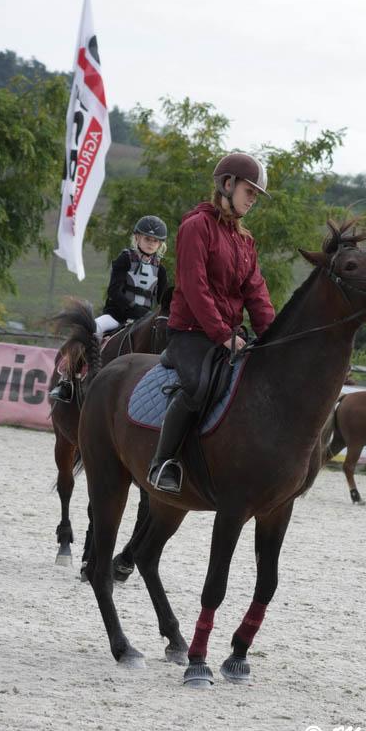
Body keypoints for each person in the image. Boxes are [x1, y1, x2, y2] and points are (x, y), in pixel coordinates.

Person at [147, 152, 275, 493]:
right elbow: (194, 287)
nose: (253, 200)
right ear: (228, 184)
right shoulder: (196, 227)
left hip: (228, 333)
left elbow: (256, 292)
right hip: (191, 332)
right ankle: (163, 462)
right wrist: (221, 334)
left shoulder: (244, 240)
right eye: (249, 191)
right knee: (199, 386)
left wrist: (272, 337)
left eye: (256, 195)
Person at [49, 215, 168, 402]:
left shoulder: (160, 270)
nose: (151, 244)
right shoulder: (125, 259)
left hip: (144, 320)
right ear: (137, 237)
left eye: (155, 241)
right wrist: (132, 309)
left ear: (160, 244)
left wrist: (150, 315)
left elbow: (162, 300)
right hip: (116, 316)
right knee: (92, 331)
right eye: (147, 239)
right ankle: (66, 381)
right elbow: (114, 291)